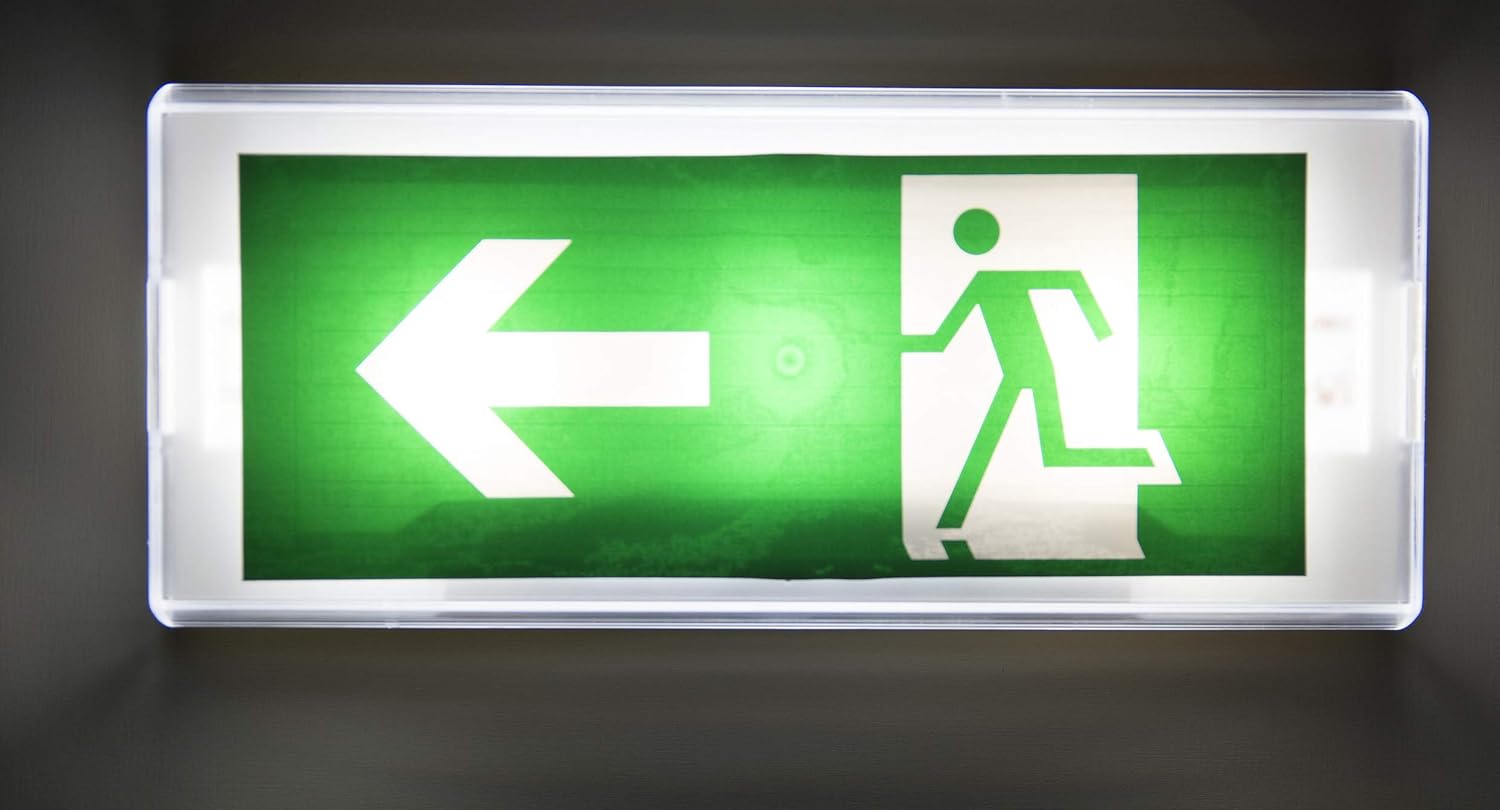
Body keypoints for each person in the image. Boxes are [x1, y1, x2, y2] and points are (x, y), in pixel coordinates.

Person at [909, 210, 1151, 530]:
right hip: (1024, 370)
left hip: (1033, 368)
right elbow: (943, 338)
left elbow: (1070, 280)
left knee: (1030, 444)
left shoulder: (995, 280)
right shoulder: (983, 282)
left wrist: (1100, 327)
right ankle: (1137, 458)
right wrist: (905, 344)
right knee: (1053, 450)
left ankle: (953, 516)